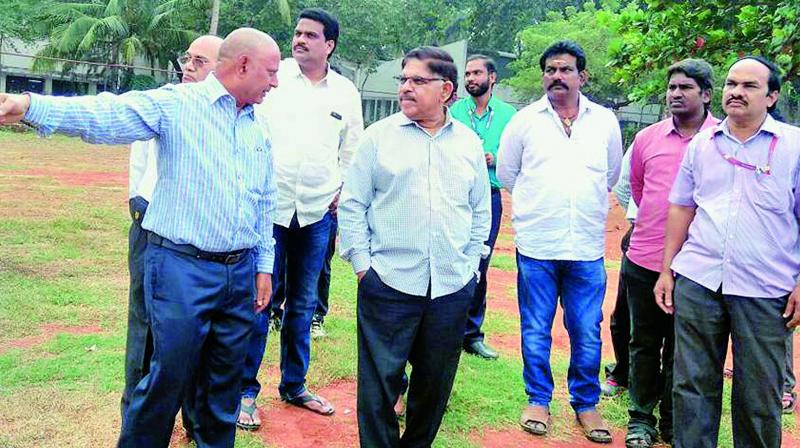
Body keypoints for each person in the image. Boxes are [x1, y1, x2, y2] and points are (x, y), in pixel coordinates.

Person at [0, 28, 280, 448]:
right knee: (166, 378)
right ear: (243, 65)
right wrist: (30, 105)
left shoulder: (256, 127)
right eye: (271, 72)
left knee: (223, 388)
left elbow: (263, 201)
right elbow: (108, 115)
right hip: (181, 268)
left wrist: (262, 265)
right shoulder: (178, 105)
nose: (275, 82)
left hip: (237, 273)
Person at [339, 46, 490, 447]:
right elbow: (352, 204)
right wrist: (362, 267)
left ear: (446, 91)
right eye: (403, 80)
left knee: (434, 385)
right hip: (387, 282)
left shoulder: (468, 144)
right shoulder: (378, 138)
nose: (406, 87)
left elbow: (480, 211)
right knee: (378, 387)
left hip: (451, 287)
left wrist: (471, 268)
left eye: (417, 81)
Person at [654, 56, 800, 448]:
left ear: (771, 96)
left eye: (750, 86)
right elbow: (682, 207)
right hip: (700, 280)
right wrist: (668, 270)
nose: (736, 92)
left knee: (759, 395)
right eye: (731, 84)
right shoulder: (703, 144)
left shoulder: (794, 147)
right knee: (692, 388)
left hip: (766, 290)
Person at [238, 8, 363, 428]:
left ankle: (294, 385)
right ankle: (245, 392)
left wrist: (341, 189)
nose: (301, 39)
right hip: (268, 211)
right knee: (260, 300)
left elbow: (352, 150)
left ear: (329, 45)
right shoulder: (275, 79)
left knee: (303, 304)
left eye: (311, 35)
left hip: (315, 214)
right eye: (298, 32)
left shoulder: (345, 92)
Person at [497, 40, 622, 444]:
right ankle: (537, 399)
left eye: (565, 69)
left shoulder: (604, 121)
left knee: (586, 329)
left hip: (586, 248)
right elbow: (508, 173)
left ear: (582, 76)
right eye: (550, 70)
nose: (556, 76)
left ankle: (586, 404)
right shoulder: (524, 121)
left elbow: (610, 175)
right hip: (537, 246)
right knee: (536, 328)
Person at [123, 34, 223, 427]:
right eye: (188, 59)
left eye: (200, 61)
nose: (188, 67)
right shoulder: (165, 102)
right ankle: (138, 420)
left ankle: (197, 421)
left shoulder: (239, 112)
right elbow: (141, 169)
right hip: (155, 227)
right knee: (148, 331)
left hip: (207, 241)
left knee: (202, 334)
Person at [624, 59, 719, 448]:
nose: (676, 94)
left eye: (686, 88)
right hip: (645, 259)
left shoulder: (722, 139)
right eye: (672, 87)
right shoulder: (647, 139)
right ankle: (640, 419)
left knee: (687, 351)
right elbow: (640, 191)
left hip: (699, 267)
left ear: (707, 95)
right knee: (644, 342)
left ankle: (673, 421)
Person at [450, 54, 516, 360]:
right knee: (451, 256)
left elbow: (517, 156)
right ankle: (447, 328)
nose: (471, 78)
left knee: (480, 262)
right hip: (453, 194)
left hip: (488, 195)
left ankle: (472, 334)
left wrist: (493, 159)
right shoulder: (453, 110)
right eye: (467, 73)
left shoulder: (509, 115)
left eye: (477, 73)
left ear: (492, 78)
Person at [602, 145, 638, 397]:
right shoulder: (648, 139)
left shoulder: (711, 139)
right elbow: (623, 185)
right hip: (643, 240)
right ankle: (623, 371)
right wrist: (641, 220)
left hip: (693, 245)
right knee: (624, 313)